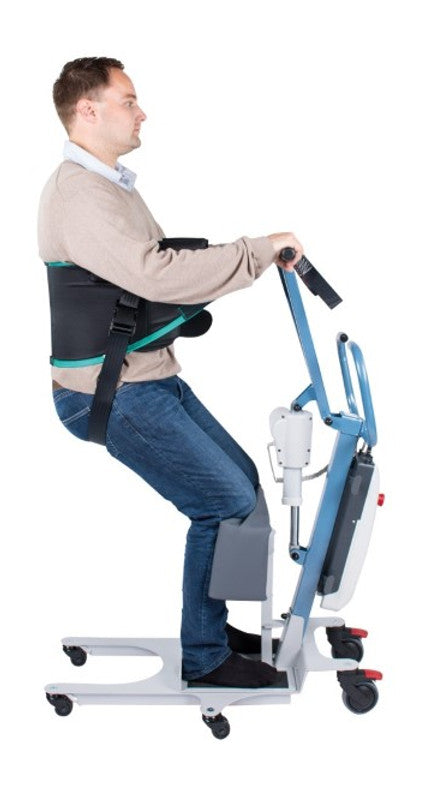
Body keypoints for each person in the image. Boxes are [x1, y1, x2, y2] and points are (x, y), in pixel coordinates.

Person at [38, 57, 304, 688]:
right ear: (88, 110)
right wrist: (255, 251)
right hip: (109, 394)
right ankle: (205, 658)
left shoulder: (111, 187)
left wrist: (230, 265)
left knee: (242, 485)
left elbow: (150, 266)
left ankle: (211, 625)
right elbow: (153, 275)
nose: (142, 113)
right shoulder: (79, 194)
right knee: (222, 502)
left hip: (146, 378)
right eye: (128, 100)